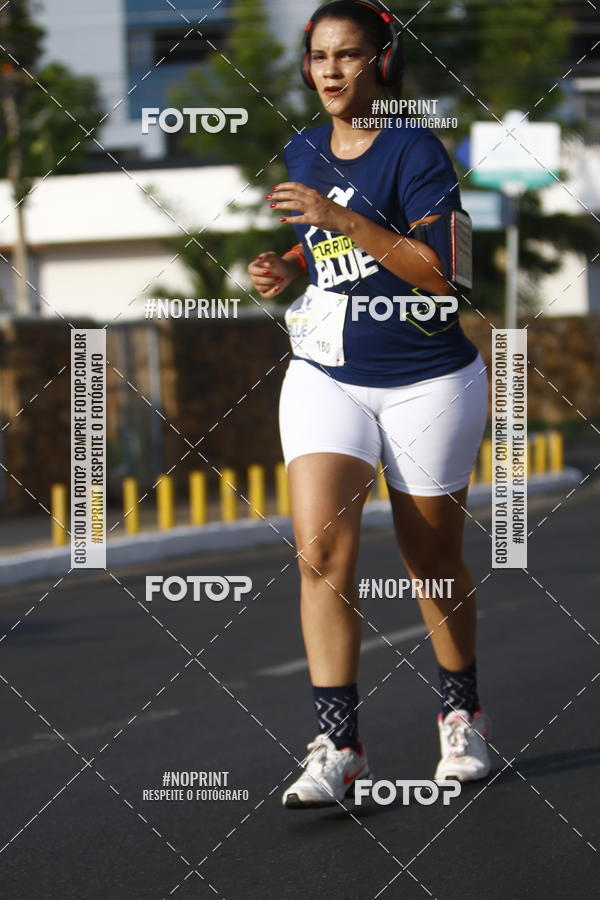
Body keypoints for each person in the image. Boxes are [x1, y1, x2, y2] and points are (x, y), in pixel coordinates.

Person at [247, 0, 491, 810]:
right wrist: (290, 264)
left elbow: (439, 271)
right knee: (323, 555)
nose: (329, 70)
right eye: (319, 56)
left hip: (428, 378)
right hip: (328, 372)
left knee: (431, 559)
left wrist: (335, 216)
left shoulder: (419, 150)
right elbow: (327, 249)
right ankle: (337, 745)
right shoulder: (305, 147)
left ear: (382, 63)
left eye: (348, 56)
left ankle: (461, 717)